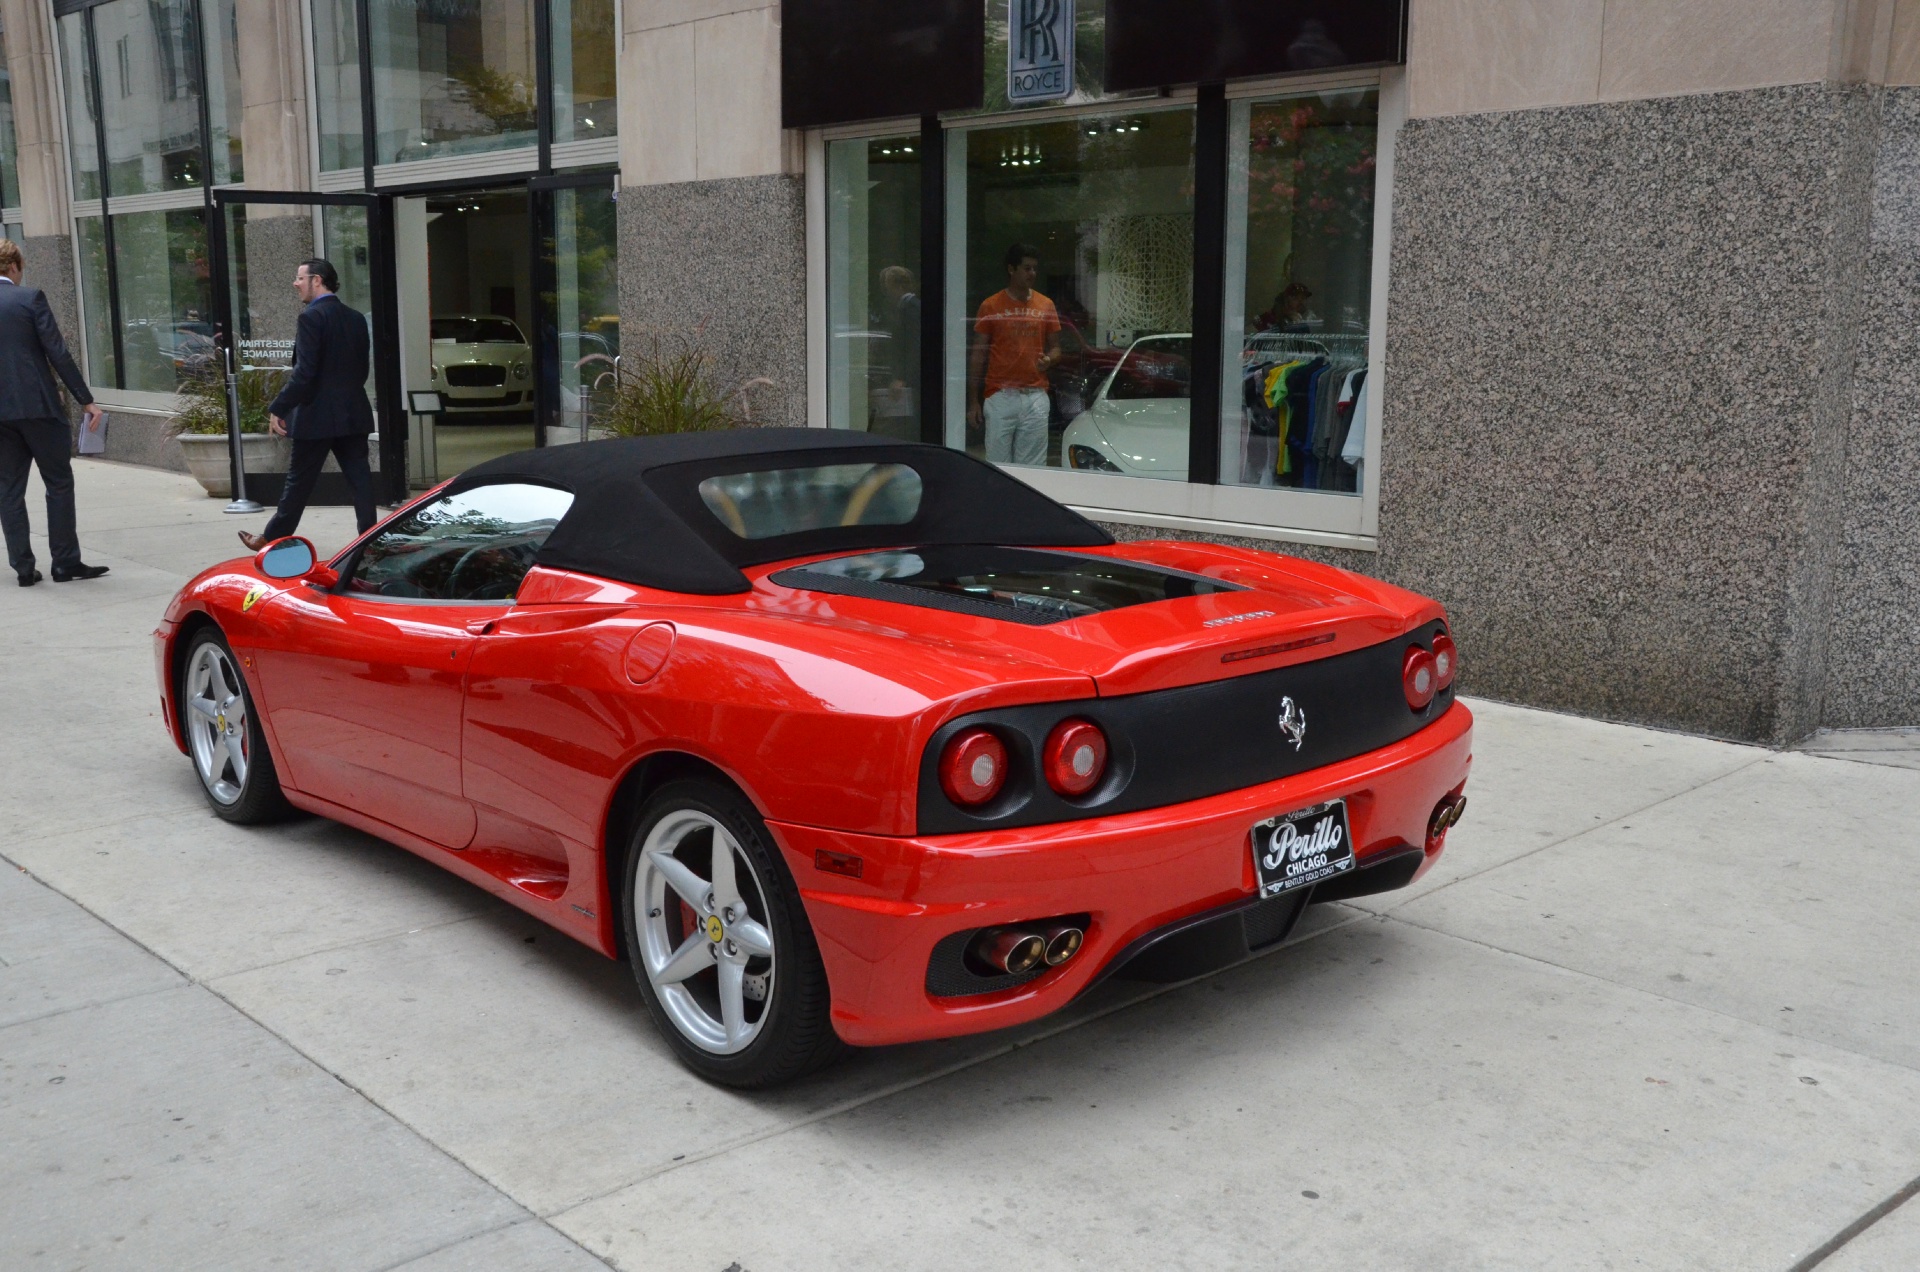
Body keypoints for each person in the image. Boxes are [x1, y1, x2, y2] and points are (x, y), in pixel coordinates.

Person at [239, 258, 376, 551]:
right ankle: (371, 541)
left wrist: (278, 407)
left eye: (300, 278)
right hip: (353, 412)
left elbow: (305, 373)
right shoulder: (355, 318)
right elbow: (362, 368)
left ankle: (272, 539)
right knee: (360, 480)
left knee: (299, 482)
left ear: (318, 280)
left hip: (316, 416)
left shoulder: (311, 318)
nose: (295, 283)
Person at [0, 238, 109, 586]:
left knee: (8, 489)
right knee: (58, 483)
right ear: (14, 267)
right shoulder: (29, 298)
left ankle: (22, 568)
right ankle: (65, 563)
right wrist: (86, 400)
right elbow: (57, 353)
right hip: (39, 406)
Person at [967, 243, 1061, 466]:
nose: (1032, 274)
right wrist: (973, 401)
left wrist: (1049, 359)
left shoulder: (1045, 305)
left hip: (1035, 393)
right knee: (998, 465)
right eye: (1026, 268)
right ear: (1012, 269)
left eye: (1034, 269)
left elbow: (1056, 348)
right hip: (1000, 394)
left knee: (1033, 469)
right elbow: (978, 354)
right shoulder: (991, 305)